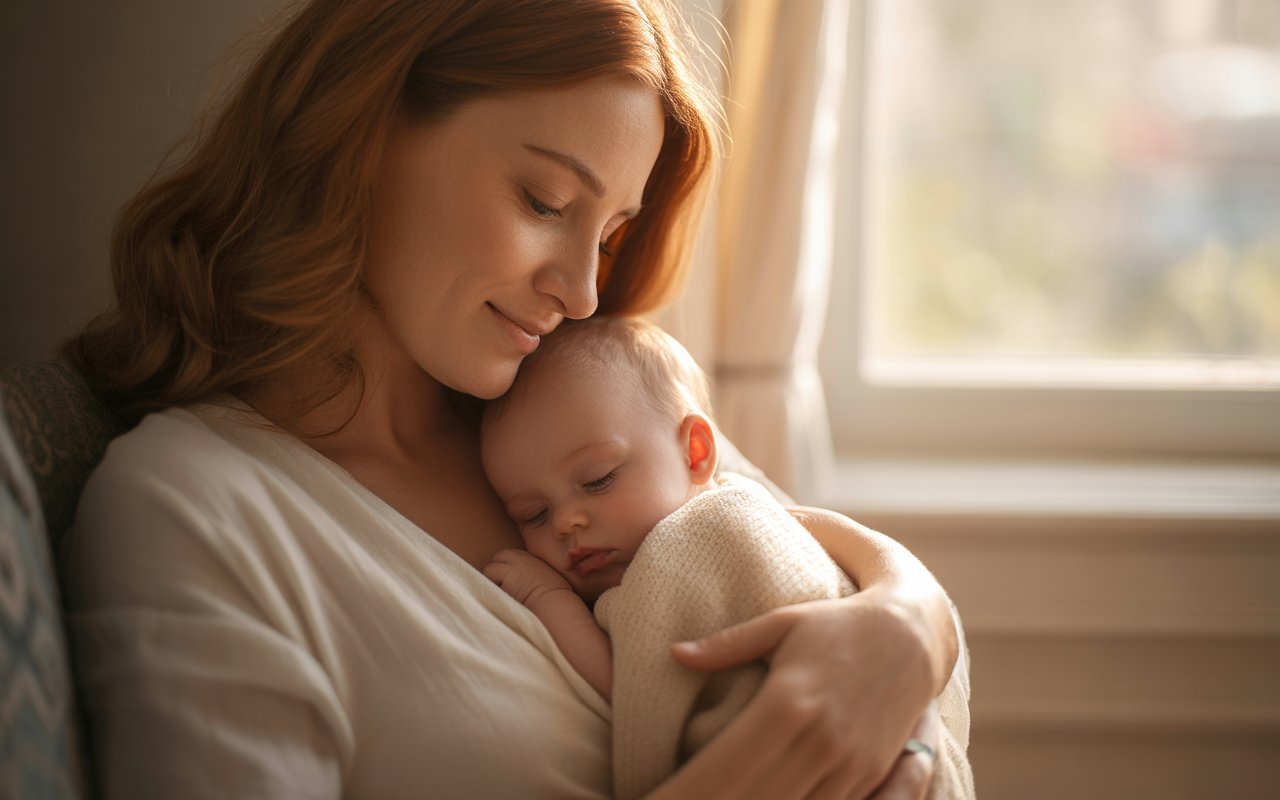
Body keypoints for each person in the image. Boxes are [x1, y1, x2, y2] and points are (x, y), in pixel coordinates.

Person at [61, 0, 965, 797]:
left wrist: (911, 623)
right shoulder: (193, 511)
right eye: (543, 200)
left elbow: (806, 561)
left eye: (610, 235)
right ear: (365, 131)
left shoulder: (583, 411)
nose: (581, 291)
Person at [481, 316, 973, 800]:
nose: (566, 521)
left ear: (696, 453)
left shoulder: (726, 517)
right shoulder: (635, 584)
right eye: (534, 515)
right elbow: (649, 687)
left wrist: (548, 597)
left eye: (598, 479)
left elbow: (626, 687)